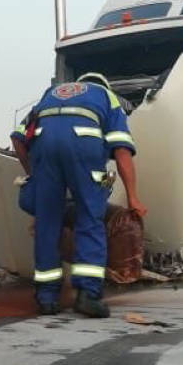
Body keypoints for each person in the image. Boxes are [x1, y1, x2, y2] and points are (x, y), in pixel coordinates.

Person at [11, 72, 147, 317]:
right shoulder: (107, 96)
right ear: (103, 85)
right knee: (89, 219)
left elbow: (18, 139)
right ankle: (87, 295)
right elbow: (121, 150)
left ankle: (46, 299)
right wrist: (133, 197)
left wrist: (33, 175)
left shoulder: (50, 94)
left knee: (47, 223)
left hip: (44, 147)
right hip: (84, 146)